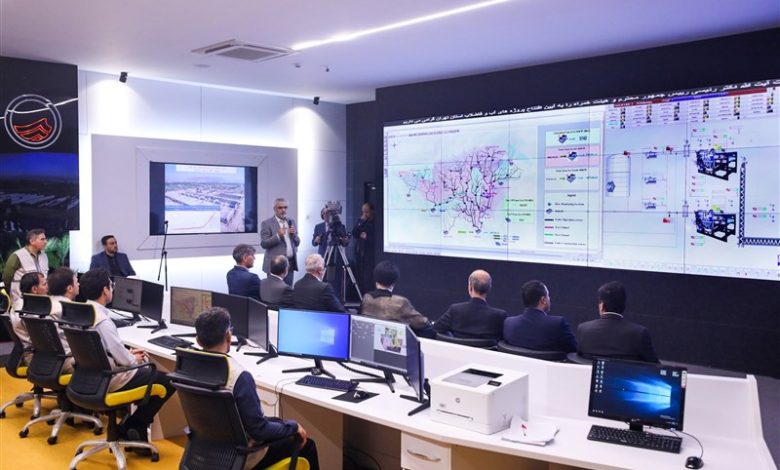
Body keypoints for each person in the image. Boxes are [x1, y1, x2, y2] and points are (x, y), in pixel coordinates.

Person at [194, 307, 320, 470]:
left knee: (277, 421)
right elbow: (259, 430)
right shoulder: (238, 376)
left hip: (205, 451)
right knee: (307, 444)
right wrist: (294, 427)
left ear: (198, 341)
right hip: (241, 457)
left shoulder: (190, 366)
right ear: (229, 336)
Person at [79, 268, 176, 448]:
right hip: (110, 379)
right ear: (105, 290)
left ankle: (132, 426)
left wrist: (128, 354)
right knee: (168, 380)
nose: (113, 288)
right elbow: (125, 361)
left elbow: (103, 349)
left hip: (87, 376)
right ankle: (134, 425)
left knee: (144, 366)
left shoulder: (81, 311)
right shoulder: (103, 322)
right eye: (111, 285)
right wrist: (133, 359)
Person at [576, 281, 659, 363]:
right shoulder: (639, 333)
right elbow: (655, 366)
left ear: (602, 306)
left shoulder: (583, 329)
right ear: (624, 305)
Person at [359, 260, 434, 338]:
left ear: (375, 278)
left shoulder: (366, 298)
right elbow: (422, 323)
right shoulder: (400, 303)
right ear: (394, 281)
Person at [503, 280, 577, 353]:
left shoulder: (509, 323)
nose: (549, 298)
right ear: (543, 300)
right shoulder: (558, 324)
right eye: (548, 295)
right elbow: (575, 350)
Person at [433, 270, 507, 341]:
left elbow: (435, 329)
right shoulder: (500, 316)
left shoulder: (455, 310)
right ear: (489, 288)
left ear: (470, 287)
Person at [46, 266, 82, 372]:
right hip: (67, 360)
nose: (79, 284)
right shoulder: (69, 309)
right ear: (69, 288)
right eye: (76, 282)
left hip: (46, 359)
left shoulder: (46, 304)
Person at [9, 272, 48, 365]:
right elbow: (46, 340)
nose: (47, 287)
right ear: (34, 289)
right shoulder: (31, 312)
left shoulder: (18, 304)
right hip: (38, 358)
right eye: (44, 284)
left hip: (29, 354)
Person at [2, 228, 49, 303]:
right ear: (32, 241)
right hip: (20, 300)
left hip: (41, 300)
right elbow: (7, 278)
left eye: (45, 239)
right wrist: (14, 292)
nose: (45, 242)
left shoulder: (44, 256)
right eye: (42, 239)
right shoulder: (17, 255)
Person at [260, 198, 300, 286]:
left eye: (285, 207)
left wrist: (294, 235)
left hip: (289, 264)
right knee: (274, 291)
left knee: (288, 290)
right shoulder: (266, 223)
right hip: (275, 266)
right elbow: (264, 244)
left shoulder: (291, 221)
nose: (283, 210)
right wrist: (277, 236)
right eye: (280, 208)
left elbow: (297, 243)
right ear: (274, 209)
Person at [351, 202, 375, 295]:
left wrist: (365, 235)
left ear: (372, 211)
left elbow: (372, 235)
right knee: (360, 276)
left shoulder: (374, 222)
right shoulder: (361, 220)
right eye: (363, 212)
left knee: (368, 277)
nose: (364, 214)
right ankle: (361, 296)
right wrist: (361, 222)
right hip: (359, 252)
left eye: (366, 212)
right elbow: (355, 233)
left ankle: (369, 296)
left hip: (369, 253)